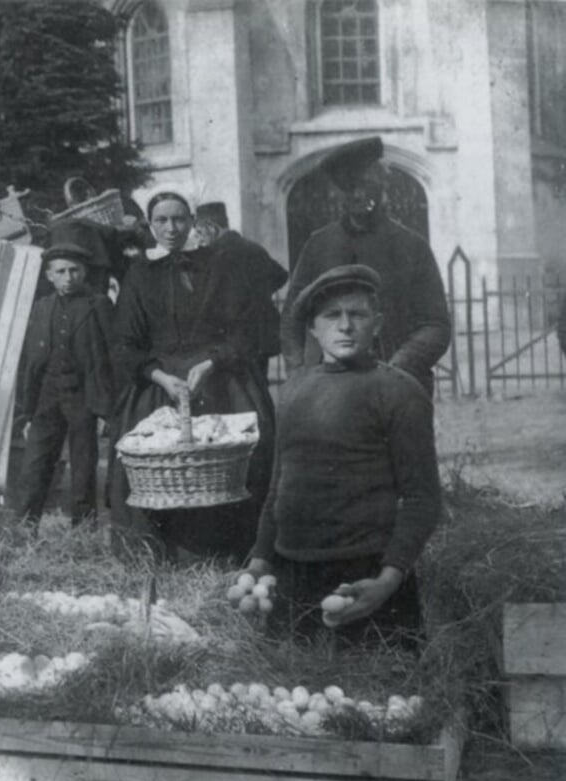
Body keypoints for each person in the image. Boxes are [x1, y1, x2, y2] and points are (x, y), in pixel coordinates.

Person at [243, 265, 441, 646]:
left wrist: (388, 580)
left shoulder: (398, 391)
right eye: (332, 316)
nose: (345, 326)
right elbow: (277, 489)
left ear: (378, 323)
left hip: (365, 577)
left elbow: (423, 499)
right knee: (292, 696)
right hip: (293, 577)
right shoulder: (294, 391)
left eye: (358, 314)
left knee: (382, 698)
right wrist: (259, 560)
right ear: (314, 329)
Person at [107, 188, 276, 562]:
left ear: (192, 223)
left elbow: (245, 330)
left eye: (179, 219)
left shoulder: (222, 267)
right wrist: (159, 377)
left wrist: (212, 362)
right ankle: (155, 556)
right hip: (161, 385)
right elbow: (125, 344)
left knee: (246, 454)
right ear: (151, 227)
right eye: (162, 221)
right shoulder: (139, 275)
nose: (171, 228)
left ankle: (229, 554)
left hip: (220, 380)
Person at [281, 136, 452, 395]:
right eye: (350, 188)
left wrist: (398, 368)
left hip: (399, 387)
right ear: (339, 193)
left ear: (383, 187)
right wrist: (297, 372)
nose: (359, 195)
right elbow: (293, 315)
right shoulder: (319, 245)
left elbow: (436, 325)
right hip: (331, 389)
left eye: (367, 186)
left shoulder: (411, 246)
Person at [15, 219, 116, 527]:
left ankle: (83, 529)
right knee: (35, 465)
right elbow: (30, 362)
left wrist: (105, 410)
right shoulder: (41, 308)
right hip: (47, 395)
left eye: (74, 270)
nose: (68, 277)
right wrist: (27, 413)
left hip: (83, 396)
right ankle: (25, 527)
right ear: (49, 275)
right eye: (60, 271)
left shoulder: (98, 306)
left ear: (84, 272)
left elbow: (109, 360)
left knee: (83, 465)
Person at [193, 202, 289, 377]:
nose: (200, 239)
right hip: (261, 334)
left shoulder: (216, 255)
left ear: (211, 228)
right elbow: (281, 275)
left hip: (232, 338)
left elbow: (211, 297)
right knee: (260, 386)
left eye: (200, 232)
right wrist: (259, 293)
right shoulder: (253, 248)